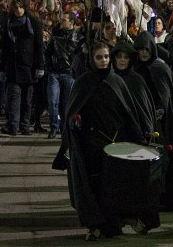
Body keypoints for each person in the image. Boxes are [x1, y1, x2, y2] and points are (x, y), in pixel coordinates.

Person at [54, 41, 159, 240]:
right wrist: (75, 123)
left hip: (118, 143)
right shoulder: (83, 82)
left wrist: (140, 139)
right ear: (92, 60)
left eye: (106, 57)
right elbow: (73, 112)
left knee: (119, 186)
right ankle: (95, 225)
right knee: (94, 187)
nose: (103, 61)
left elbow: (128, 114)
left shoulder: (116, 81)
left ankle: (122, 220)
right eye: (99, 57)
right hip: (92, 145)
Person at [133, 31, 173, 210]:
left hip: (162, 123)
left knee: (165, 160)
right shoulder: (137, 68)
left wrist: (156, 114)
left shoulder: (159, 68)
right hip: (145, 120)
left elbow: (163, 97)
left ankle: (169, 196)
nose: (143, 53)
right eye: (140, 50)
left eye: (146, 49)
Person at [0, 0, 43, 137]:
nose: (18, 10)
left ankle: (25, 126)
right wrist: (1, 67)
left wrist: (40, 66)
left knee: (27, 99)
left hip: (29, 67)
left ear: (25, 8)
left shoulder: (34, 23)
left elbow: (39, 46)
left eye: (21, 7)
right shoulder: (8, 23)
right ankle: (13, 126)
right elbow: (5, 48)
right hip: (13, 67)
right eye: (16, 7)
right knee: (14, 98)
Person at [45, 12, 83, 139]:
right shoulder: (56, 35)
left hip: (69, 73)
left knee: (66, 103)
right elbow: (48, 52)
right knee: (52, 101)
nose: (61, 22)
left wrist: (74, 69)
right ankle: (54, 127)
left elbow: (79, 57)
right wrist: (50, 67)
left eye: (64, 20)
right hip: (55, 73)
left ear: (71, 22)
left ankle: (64, 127)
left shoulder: (78, 38)